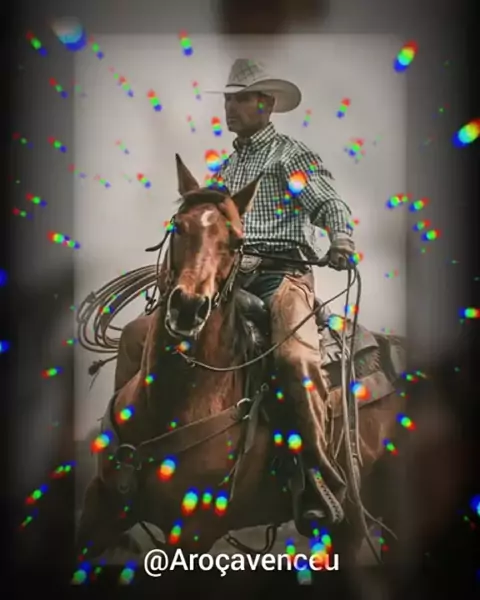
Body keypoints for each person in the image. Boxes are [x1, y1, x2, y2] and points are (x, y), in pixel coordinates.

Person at [114, 58, 357, 534]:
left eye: (241, 98)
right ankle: (126, 454)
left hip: (281, 276)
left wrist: (341, 238)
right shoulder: (225, 169)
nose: (231, 106)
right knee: (138, 336)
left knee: (295, 359)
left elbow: (328, 201)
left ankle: (314, 475)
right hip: (229, 280)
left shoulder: (290, 155)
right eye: (228, 98)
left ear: (266, 105)